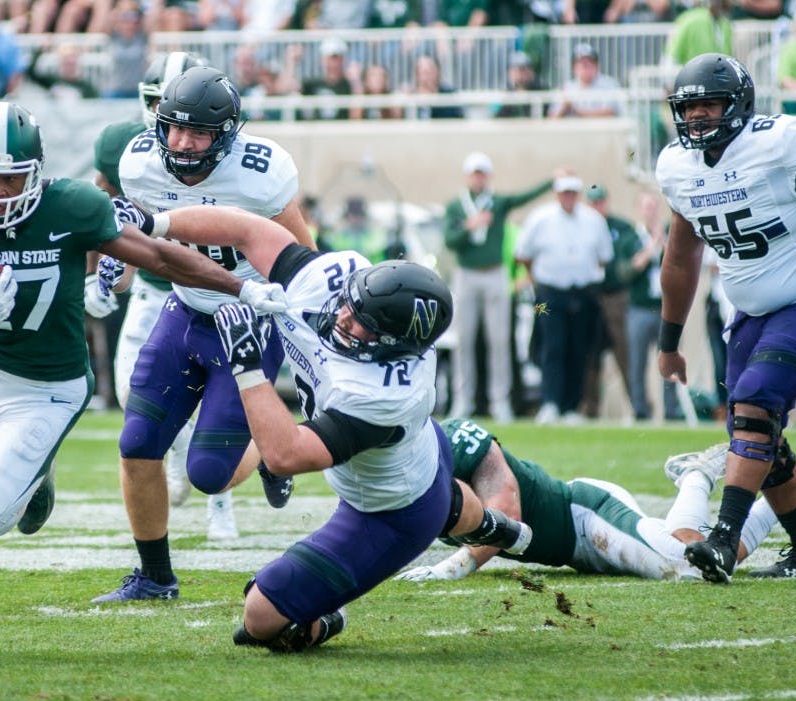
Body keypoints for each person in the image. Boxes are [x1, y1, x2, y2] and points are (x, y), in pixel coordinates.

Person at [0, 100, 287, 656]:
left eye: (6, 178)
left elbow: (159, 256)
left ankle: (36, 477)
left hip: (50, 389)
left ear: (35, 173)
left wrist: (244, 288)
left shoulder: (72, 206)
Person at [140, 204, 533, 652]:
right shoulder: (330, 279)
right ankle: (495, 527)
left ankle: (326, 618)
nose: (345, 317)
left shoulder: (382, 396)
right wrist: (156, 222)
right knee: (445, 498)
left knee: (259, 618)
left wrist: (247, 366)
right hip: (423, 454)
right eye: (351, 303)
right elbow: (247, 229)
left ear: (396, 346)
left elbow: (284, 456)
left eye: (363, 325)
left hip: (390, 511)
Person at [90, 65, 317, 603]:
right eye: (174, 128)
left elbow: (304, 252)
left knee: (209, 474)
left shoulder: (260, 173)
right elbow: (137, 231)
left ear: (227, 136)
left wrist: (309, 321)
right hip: (186, 305)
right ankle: (154, 577)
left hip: (250, 317)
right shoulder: (140, 162)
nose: (183, 143)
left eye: (198, 133)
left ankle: (267, 452)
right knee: (137, 443)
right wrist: (111, 264)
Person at [656, 52, 796, 582]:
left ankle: (722, 539)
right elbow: (680, 257)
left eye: (709, 104)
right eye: (689, 106)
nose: (697, 116)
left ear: (738, 103)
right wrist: (668, 341)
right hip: (750, 310)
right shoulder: (676, 165)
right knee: (756, 429)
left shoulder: (781, 142)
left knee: (755, 403)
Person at [396, 419, 780, 582]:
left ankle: (712, 483)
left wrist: (452, 568)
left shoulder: (458, 439)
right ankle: (694, 477)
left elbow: (506, 516)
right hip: (576, 550)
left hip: (585, 515)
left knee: (688, 566)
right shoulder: (402, 476)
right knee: (687, 548)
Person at [85, 51, 209, 517]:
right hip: (153, 289)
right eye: (159, 101)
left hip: (214, 293)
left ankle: (222, 501)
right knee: (128, 393)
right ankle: (177, 453)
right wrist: (99, 276)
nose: (167, 115)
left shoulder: (229, 153)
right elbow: (99, 211)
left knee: (216, 406)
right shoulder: (123, 144)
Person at [442, 152, 553, 422]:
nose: (478, 179)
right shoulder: (457, 206)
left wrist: (551, 182)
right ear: (468, 177)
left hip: (495, 273)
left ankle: (500, 400)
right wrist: (470, 226)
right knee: (464, 340)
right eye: (475, 174)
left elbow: (523, 197)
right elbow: (450, 239)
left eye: (482, 174)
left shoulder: (498, 202)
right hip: (467, 274)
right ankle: (463, 400)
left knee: (500, 340)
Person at [515, 173, 613, 425]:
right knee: (550, 345)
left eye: (572, 192)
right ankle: (550, 402)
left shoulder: (593, 221)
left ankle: (572, 405)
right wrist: (537, 278)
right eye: (564, 192)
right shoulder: (541, 218)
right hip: (547, 294)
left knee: (578, 348)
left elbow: (604, 257)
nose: (568, 197)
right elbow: (523, 254)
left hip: (582, 292)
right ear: (558, 194)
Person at [622, 190, 681, 422]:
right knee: (637, 362)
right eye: (646, 206)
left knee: (669, 360)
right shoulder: (632, 237)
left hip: (665, 309)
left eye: (653, 206)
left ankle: (671, 410)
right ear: (639, 209)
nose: (650, 211)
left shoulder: (668, 233)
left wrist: (663, 242)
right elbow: (627, 270)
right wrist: (650, 248)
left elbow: (678, 261)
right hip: (639, 308)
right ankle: (640, 409)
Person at [580, 184, 635, 419]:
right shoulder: (580, 227)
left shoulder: (620, 227)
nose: (597, 207)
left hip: (615, 296)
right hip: (590, 296)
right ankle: (589, 407)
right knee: (589, 356)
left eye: (600, 201)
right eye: (593, 202)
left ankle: (637, 406)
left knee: (624, 352)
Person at [549, 43, 622, 119]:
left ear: (597, 66)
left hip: (603, 130)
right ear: (574, 68)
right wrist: (564, 108)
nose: (586, 68)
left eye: (590, 63)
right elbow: (552, 118)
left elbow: (611, 112)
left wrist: (577, 112)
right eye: (582, 64)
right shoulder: (567, 87)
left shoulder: (609, 84)